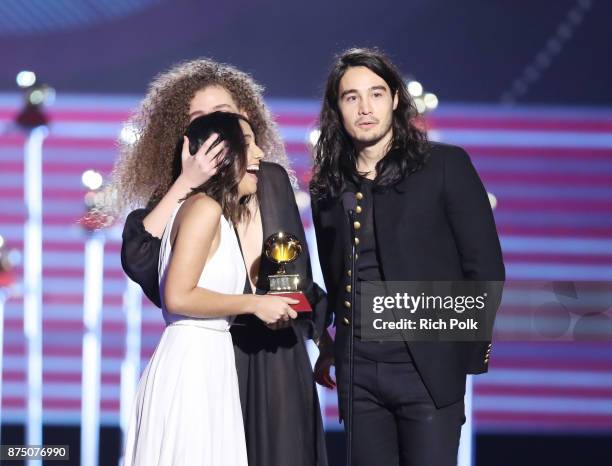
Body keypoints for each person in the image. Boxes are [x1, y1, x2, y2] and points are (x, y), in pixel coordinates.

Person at [111, 59, 328, 466]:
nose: (218, 129)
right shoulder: (190, 200)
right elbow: (145, 263)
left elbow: (296, 275)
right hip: (218, 351)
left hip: (277, 351)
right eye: (201, 119)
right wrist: (185, 182)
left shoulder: (271, 179)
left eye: (226, 117)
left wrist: (322, 337)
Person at [310, 48, 505, 466]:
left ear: (396, 99)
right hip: (359, 372)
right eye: (351, 97)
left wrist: (459, 357)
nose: (365, 107)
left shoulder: (445, 165)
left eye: (376, 94)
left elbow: (484, 267)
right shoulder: (328, 184)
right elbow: (335, 271)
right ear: (336, 108)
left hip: (427, 370)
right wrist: (332, 347)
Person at [123, 111, 298, 465]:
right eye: (248, 144)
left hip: (208, 362)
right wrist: (254, 304)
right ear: (220, 153)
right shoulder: (202, 208)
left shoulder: (214, 211)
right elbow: (177, 295)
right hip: (192, 369)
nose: (262, 154)